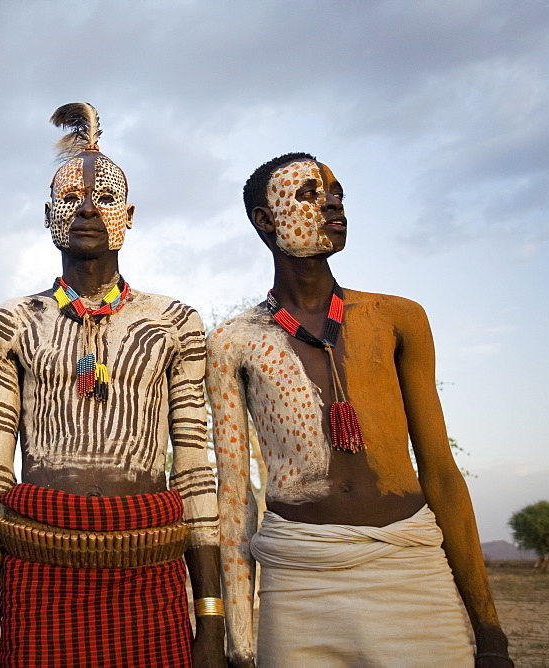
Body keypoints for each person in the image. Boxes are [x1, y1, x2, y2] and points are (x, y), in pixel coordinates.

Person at [207, 152, 512, 666]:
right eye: (310, 193)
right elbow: (235, 498)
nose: (333, 204)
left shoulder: (397, 318)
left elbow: (440, 471)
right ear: (264, 219)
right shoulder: (234, 341)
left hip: (410, 568)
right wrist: (237, 642)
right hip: (298, 579)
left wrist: (490, 632)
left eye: (338, 194)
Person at [0, 103, 225, 668]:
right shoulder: (11, 322)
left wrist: (211, 621)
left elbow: (196, 470)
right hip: (38, 567)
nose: (87, 210)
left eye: (104, 198)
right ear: (47, 215)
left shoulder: (175, 321)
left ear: (129, 215)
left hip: (150, 568)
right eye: (71, 199)